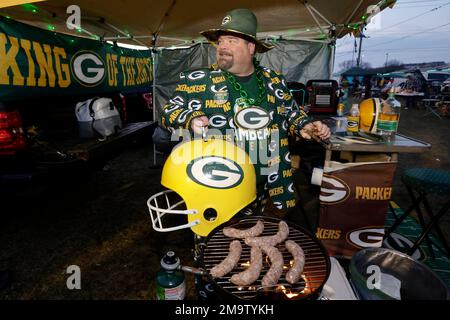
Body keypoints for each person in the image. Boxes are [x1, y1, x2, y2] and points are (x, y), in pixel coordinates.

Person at [160, 8, 330, 218]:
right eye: (220, 41)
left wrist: (306, 125)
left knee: (260, 243)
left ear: (251, 47)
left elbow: (291, 113)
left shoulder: (274, 80)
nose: (222, 46)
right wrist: (190, 119)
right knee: (218, 245)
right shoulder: (197, 80)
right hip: (218, 188)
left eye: (231, 40)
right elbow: (168, 112)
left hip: (268, 188)